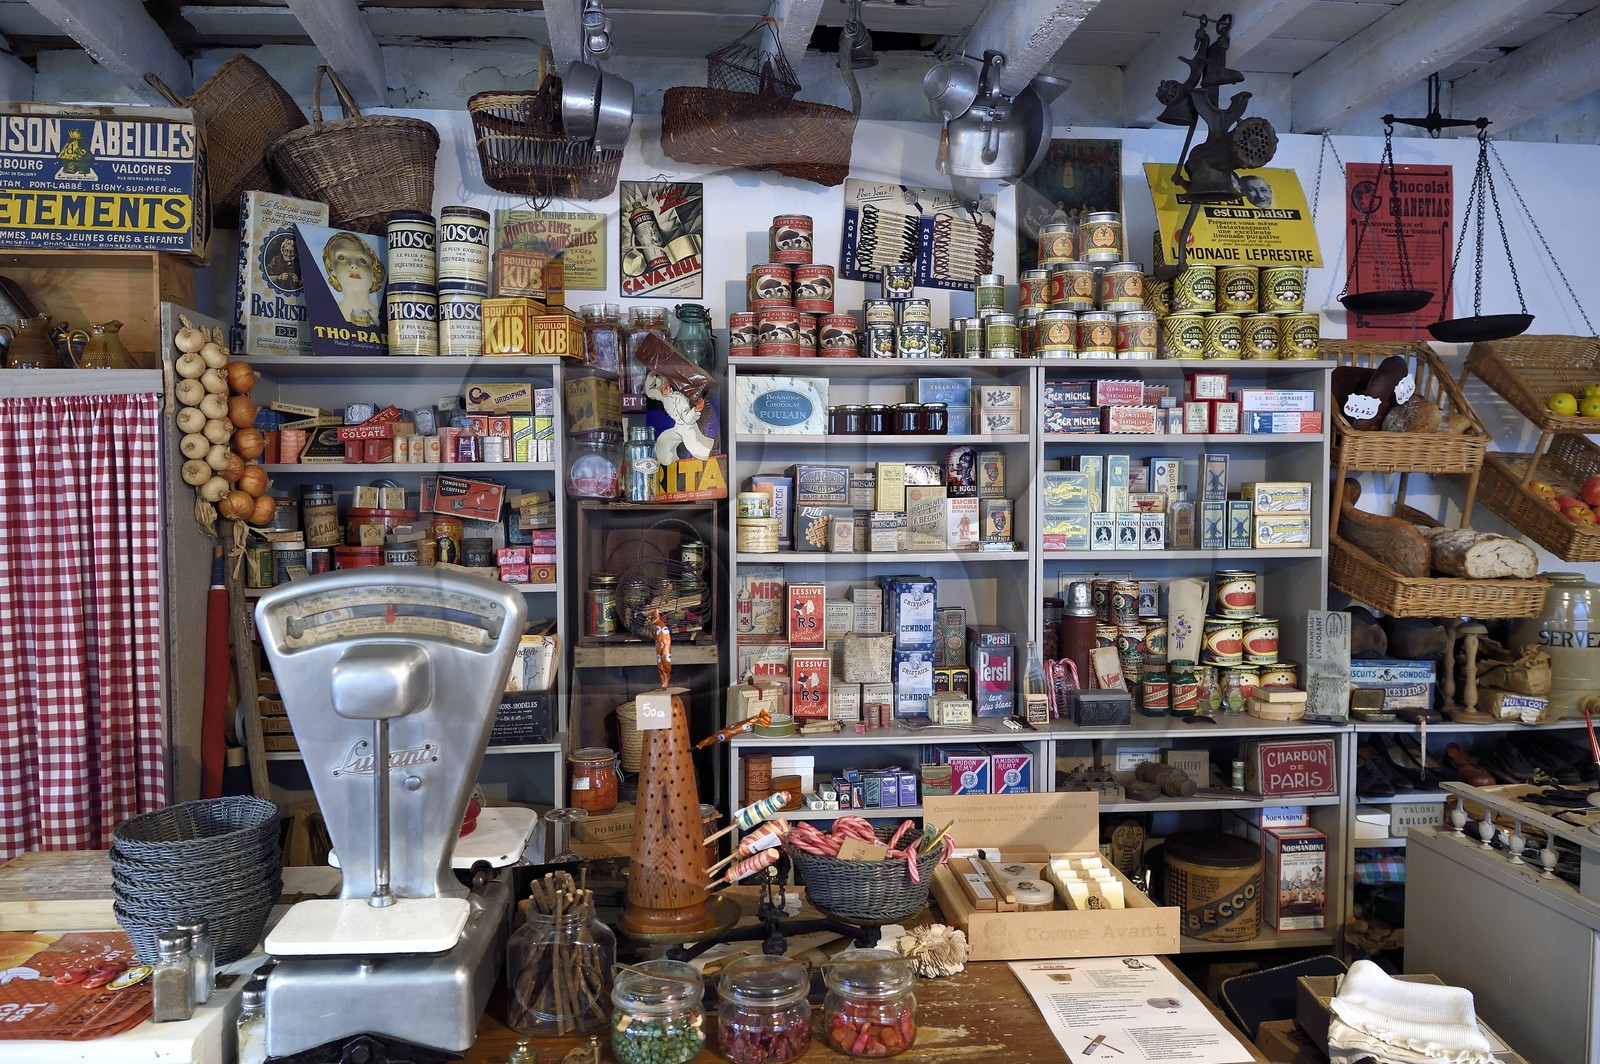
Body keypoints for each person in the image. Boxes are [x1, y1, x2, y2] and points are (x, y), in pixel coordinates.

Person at [321, 232, 385, 326]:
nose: (353, 265)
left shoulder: (387, 318)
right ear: (331, 269)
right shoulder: (326, 314)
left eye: (362, 260)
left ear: (374, 273)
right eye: (342, 257)